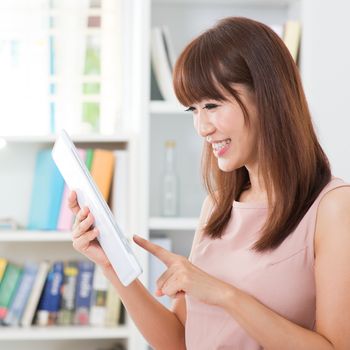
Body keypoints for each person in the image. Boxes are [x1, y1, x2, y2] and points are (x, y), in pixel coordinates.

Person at [68, 17, 350, 350]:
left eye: (212, 105)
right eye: (193, 109)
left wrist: (222, 293)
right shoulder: (217, 206)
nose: (202, 127)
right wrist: (111, 265)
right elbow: (177, 340)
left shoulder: (332, 207)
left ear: (269, 97)